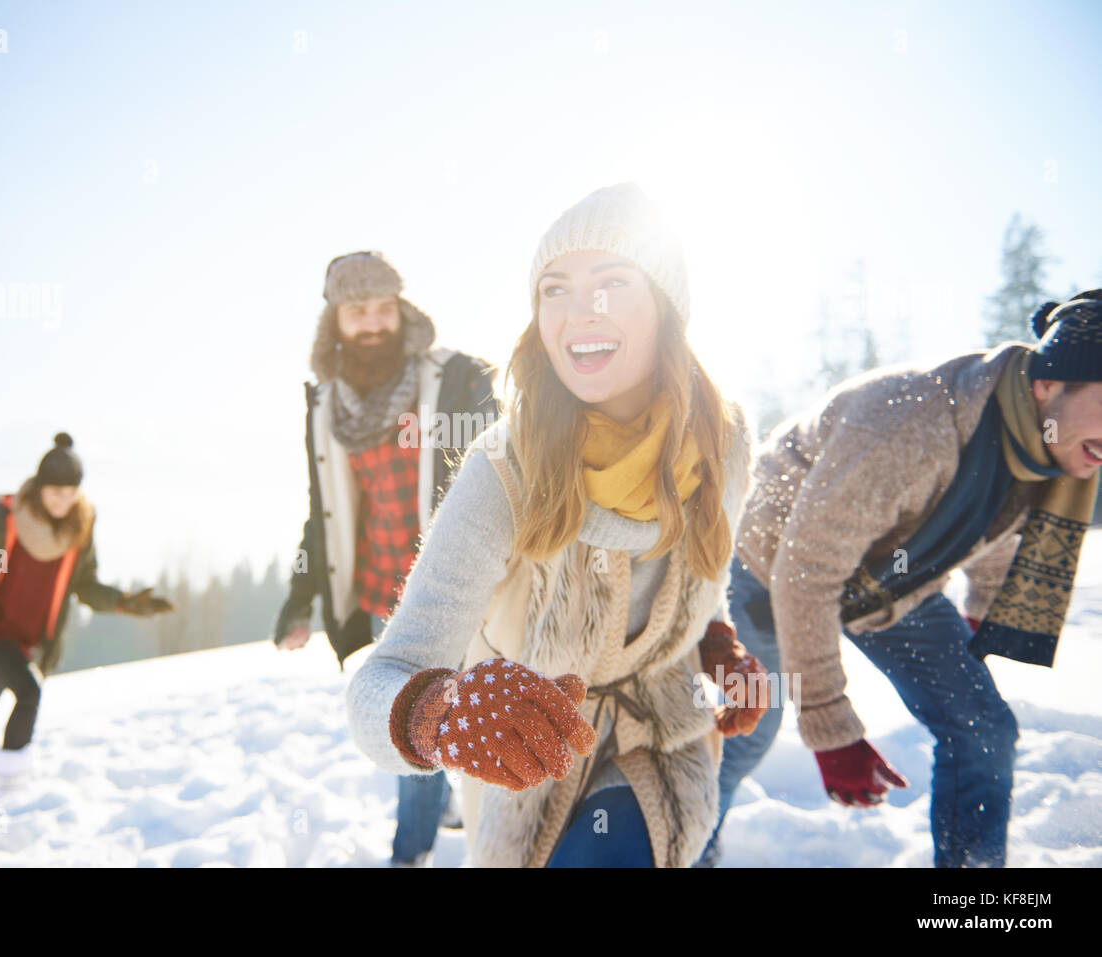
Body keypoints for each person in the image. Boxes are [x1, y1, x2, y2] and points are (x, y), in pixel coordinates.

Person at [346, 184, 768, 867]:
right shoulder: (503, 470)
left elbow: (701, 574)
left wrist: (714, 637)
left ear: (666, 304)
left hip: (660, 739)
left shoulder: (726, 444)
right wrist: (441, 713)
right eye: (555, 288)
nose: (580, 313)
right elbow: (380, 678)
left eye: (612, 282)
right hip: (528, 761)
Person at [698, 291, 1102, 868]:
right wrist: (832, 726)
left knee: (983, 727)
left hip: (894, 580)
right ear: (1049, 383)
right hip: (767, 574)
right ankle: (686, 848)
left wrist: (980, 613)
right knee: (750, 728)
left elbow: (995, 522)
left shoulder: (1043, 449)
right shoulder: (910, 425)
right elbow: (805, 576)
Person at [271, 251, 498, 866]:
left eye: (382, 307)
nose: (372, 322)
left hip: (453, 586)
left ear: (400, 308)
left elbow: (505, 476)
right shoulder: (327, 405)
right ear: (334, 322)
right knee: (417, 710)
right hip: (377, 589)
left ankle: (409, 853)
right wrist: (299, 598)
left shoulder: (457, 379)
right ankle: (440, 806)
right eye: (356, 310)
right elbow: (323, 515)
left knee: (417, 711)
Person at [0, 433, 173, 789]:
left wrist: (126, 602)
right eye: (54, 491)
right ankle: (10, 785)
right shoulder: (1, 521)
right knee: (28, 693)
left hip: (26, 636)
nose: (62, 500)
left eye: (70, 492)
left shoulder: (80, 529)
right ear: (39, 487)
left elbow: (85, 585)